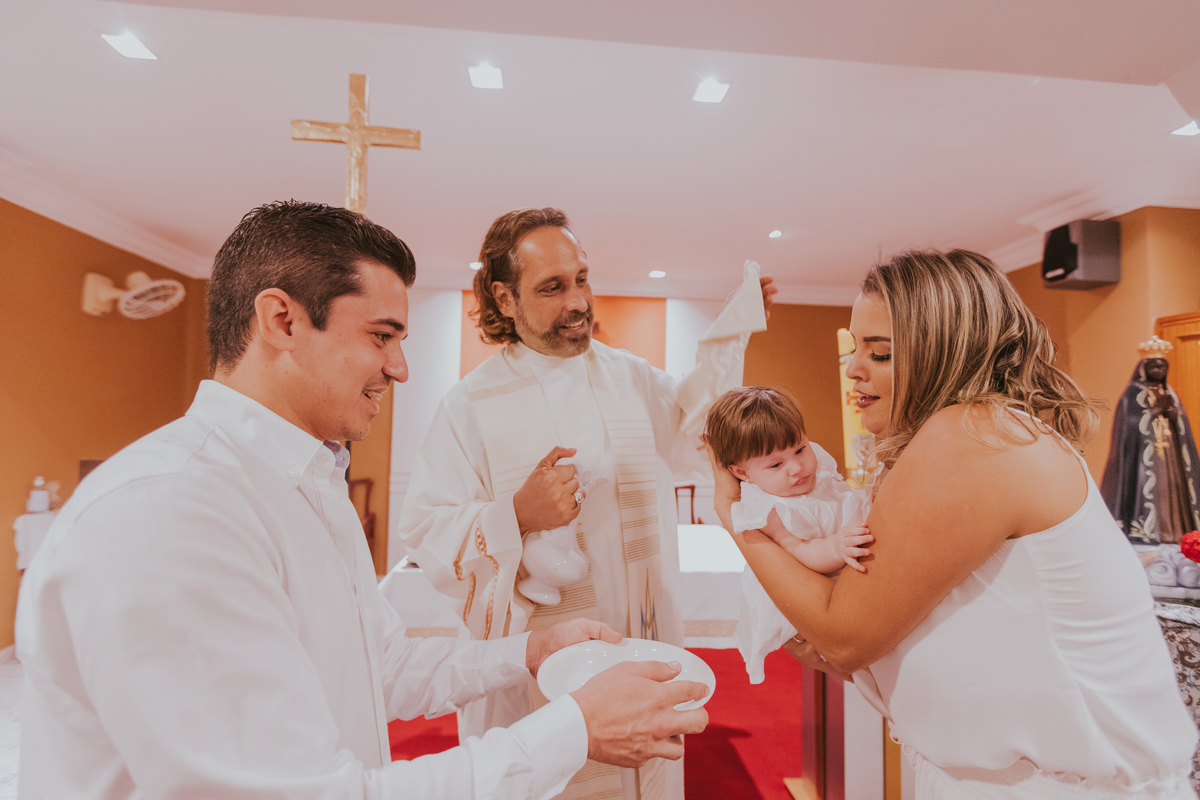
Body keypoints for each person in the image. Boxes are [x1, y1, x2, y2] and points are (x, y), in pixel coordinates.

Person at [16, 201, 709, 800]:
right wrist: (574, 729)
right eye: (382, 336)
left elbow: (379, 665)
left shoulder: (309, 484)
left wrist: (529, 651)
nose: (400, 369)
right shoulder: (171, 514)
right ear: (281, 321)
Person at [708, 249, 1198, 798]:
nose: (852, 369)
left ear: (944, 352)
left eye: (881, 352)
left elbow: (844, 637)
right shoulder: (980, 432)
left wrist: (737, 517)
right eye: (855, 349)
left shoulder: (970, 438)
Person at [398, 207, 775, 800]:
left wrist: (730, 334)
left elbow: (698, 429)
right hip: (540, 664)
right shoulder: (470, 406)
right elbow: (427, 528)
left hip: (639, 628)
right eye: (552, 287)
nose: (578, 301)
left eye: (581, 279)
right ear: (504, 298)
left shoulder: (629, 377)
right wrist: (516, 515)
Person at [703, 386, 871, 683]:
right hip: (810, 580)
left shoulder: (809, 474)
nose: (796, 467)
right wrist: (835, 547)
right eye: (776, 464)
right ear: (742, 473)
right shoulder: (769, 509)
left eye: (800, 449)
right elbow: (800, 549)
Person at [1100, 339, 1200, 545]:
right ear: (1143, 368)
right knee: (1155, 488)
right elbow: (1128, 426)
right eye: (1154, 366)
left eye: (1163, 367)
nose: (1159, 370)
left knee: (1173, 489)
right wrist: (1155, 412)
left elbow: (1182, 423)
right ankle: (1156, 530)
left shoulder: (1169, 393)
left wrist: (1174, 415)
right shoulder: (1132, 394)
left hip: (1171, 454)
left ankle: (1177, 530)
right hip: (1145, 457)